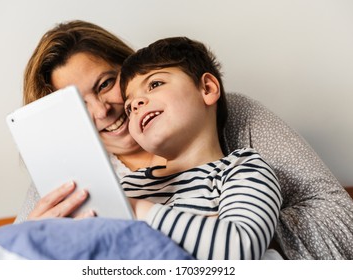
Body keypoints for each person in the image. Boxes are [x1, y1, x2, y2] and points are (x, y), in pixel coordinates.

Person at [119, 37, 282, 260]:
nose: (136, 104)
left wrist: (137, 210)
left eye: (155, 84)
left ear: (207, 88)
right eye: (129, 107)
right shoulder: (128, 186)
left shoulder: (242, 168)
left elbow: (241, 249)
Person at [17, 20, 166, 221]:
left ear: (131, 66)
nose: (102, 111)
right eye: (79, 104)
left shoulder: (208, 114)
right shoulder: (62, 185)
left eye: (105, 84)